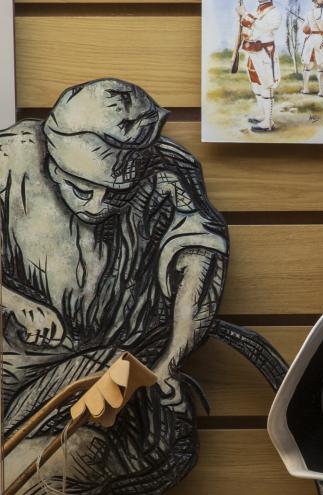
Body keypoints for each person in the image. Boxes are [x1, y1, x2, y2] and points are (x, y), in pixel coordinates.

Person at [0, 79, 228, 493]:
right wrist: (13, 300)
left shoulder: (169, 172)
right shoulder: (9, 157)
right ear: (51, 159)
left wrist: (171, 361)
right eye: (81, 189)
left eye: (117, 195)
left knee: (59, 463)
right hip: (13, 380)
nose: (96, 206)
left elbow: (201, 264)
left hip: (122, 391)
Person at [237, 0, 282, 132]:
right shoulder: (255, 11)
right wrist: (242, 16)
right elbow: (247, 27)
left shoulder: (275, 13)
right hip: (252, 53)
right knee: (256, 84)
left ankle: (268, 122)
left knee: (266, 85)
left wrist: (244, 14)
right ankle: (262, 115)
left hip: (265, 53)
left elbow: (263, 26)